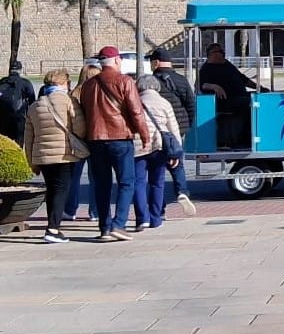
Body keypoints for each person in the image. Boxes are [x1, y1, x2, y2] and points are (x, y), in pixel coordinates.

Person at [77, 47, 152, 242]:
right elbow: (136, 111)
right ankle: (119, 224)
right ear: (117, 61)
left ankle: (104, 227)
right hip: (119, 137)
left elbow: (84, 112)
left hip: (95, 139)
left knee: (102, 185)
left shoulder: (88, 85)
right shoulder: (125, 81)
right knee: (127, 182)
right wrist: (145, 135)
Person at [22, 69, 87, 244]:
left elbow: (28, 138)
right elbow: (80, 129)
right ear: (64, 83)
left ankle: (53, 226)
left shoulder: (35, 105)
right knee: (60, 190)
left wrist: (31, 161)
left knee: (52, 190)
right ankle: (52, 229)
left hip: (42, 156)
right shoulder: (68, 101)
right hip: (63, 155)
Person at [147, 50, 197, 216]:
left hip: (155, 130)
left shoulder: (150, 82)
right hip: (176, 130)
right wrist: (185, 126)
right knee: (177, 164)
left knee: (156, 171)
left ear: (156, 62)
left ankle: (159, 209)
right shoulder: (181, 80)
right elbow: (191, 104)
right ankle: (182, 191)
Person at [133, 72, 182, 231]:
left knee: (138, 183)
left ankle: (142, 218)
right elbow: (173, 128)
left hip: (138, 146)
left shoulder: (134, 102)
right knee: (157, 183)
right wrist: (176, 153)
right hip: (159, 147)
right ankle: (155, 218)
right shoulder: (164, 103)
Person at [196, 42, 258, 150]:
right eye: (220, 52)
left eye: (222, 51)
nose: (222, 53)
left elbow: (244, 79)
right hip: (224, 101)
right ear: (212, 54)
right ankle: (244, 139)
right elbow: (201, 85)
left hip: (239, 96)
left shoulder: (227, 65)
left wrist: (259, 87)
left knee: (257, 99)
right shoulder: (206, 69)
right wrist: (214, 86)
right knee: (249, 104)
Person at [64, 64, 102, 225]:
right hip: (95, 139)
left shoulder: (72, 95)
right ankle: (94, 211)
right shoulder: (98, 94)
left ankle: (70, 209)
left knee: (73, 177)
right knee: (96, 177)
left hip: (76, 140)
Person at [0, 60, 37, 146]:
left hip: (4, 120)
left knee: (4, 145)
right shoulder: (25, 83)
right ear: (20, 70)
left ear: (10, 70)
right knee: (19, 145)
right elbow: (32, 102)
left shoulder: (1, 82)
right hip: (20, 119)